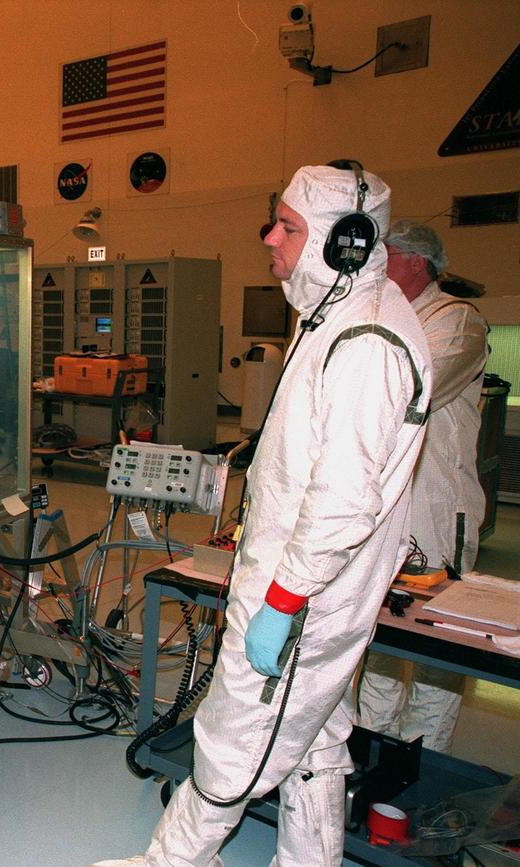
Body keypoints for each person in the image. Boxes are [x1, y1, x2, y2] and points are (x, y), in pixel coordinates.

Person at [95, 164, 431, 866]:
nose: (269, 238)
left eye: (289, 226)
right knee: (312, 738)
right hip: (298, 583)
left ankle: (173, 860)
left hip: (303, 596)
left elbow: (343, 502)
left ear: (344, 242)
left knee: (234, 737)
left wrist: (281, 601)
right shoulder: (337, 317)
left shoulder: (367, 341)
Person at [358, 220, 489, 753]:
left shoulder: (456, 320)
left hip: (436, 509)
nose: (375, 266)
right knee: (382, 633)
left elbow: (412, 391)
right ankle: (373, 747)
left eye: (385, 255)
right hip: (386, 506)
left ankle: (424, 759)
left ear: (416, 261)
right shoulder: (386, 318)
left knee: (436, 638)